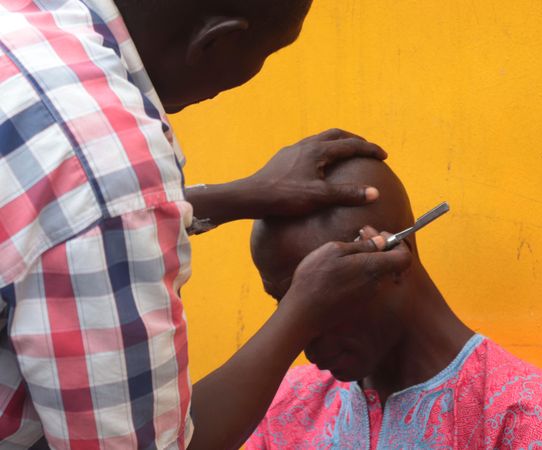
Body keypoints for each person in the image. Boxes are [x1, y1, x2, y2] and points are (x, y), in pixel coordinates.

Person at [0, 1, 412, 449]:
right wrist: (302, 311)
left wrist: (228, 196)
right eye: (268, 52)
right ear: (217, 39)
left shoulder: (24, 27)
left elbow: (62, 213)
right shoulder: (105, 164)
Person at [247, 158, 542, 449]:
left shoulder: (529, 424)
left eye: (321, 298)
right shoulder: (286, 405)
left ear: (393, 260)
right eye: (285, 303)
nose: (298, 334)